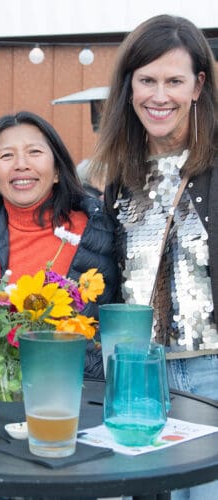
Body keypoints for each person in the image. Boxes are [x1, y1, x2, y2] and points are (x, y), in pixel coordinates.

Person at [92, 14, 218, 499]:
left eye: (173, 80)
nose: (158, 95)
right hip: (139, 374)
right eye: (146, 80)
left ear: (198, 86)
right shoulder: (118, 175)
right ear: (129, 87)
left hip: (210, 368)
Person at [0, 111, 119, 379]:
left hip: (86, 394)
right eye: (6, 156)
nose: (21, 164)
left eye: (34, 152)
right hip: (7, 395)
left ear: (58, 170)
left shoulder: (101, 229)